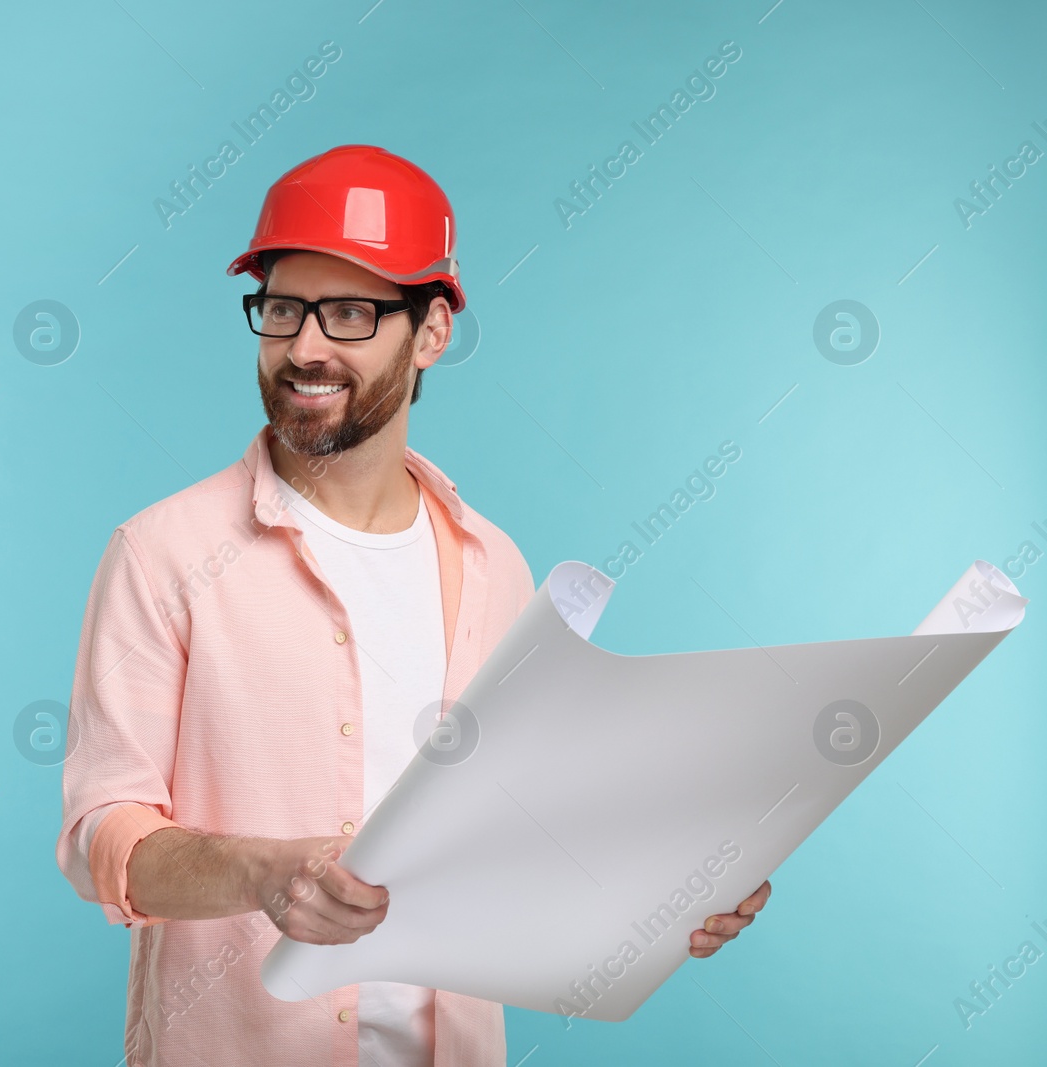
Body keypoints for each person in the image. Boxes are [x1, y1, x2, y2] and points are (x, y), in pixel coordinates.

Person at [55, 144, 771, 1066]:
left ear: (432, 331)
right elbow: (98, 838)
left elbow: (529, 839)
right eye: (282, 309)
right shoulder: (162, 554)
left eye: (351, 312)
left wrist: (667, 895)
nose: (305, 348)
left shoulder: (494, 567)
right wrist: (260, 872)